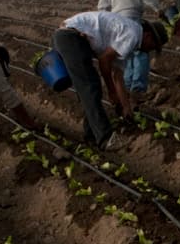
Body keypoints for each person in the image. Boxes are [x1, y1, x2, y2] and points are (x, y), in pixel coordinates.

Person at [51, 11, 168, 149]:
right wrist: (111, 91)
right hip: (71, 37)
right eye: (153, 46)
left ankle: (92, 136)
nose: (150, 51)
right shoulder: (133, 35)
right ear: (148, 36)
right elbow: (104, 60)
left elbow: (117, 75)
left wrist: (125, 107)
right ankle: (106, 138)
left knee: (89, 88)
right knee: (90, 86)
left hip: (69, 36)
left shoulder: (130, 41)